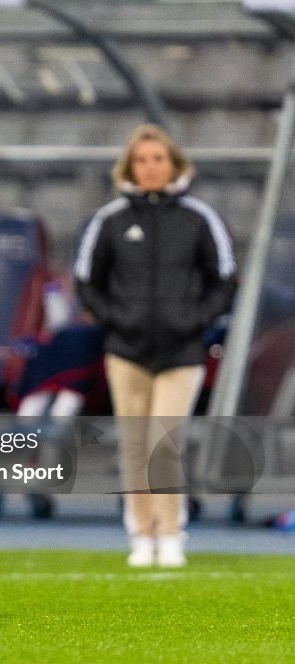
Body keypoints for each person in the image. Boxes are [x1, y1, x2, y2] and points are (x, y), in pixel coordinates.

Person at [74, 123, 237, 568]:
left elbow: (224, 279)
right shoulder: (110, 221)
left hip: (181, 353)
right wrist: (115, 319)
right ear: (130, 166)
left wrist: (194, 321)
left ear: (175, 165)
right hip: (126, 352)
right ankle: (140, 535)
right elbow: (86, 280)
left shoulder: (198, 219)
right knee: (134, 447)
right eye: (142, 160)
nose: (150, 168)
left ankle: (171, 534)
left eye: (158, 159)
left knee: (164, 444)